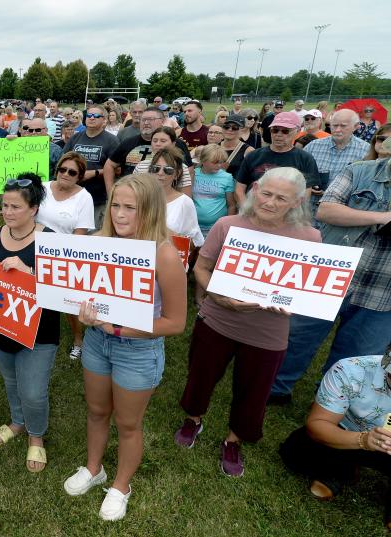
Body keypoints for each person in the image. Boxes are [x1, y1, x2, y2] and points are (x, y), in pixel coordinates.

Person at [175, 167, 319, 477]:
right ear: (254, 188)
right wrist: (218, 295)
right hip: (218, 320)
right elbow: (202, 268)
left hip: (269, 330)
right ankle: (194, 419)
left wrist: (296, 304)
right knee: (201, 375)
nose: (269, 202)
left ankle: (234, 439)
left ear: (297, 202)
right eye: (266, 193)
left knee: (254, 390)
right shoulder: (227, 225)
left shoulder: (310, 237)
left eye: (281, 198)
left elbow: (306, 288)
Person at [64, 174, 187, 521]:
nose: (119, 214)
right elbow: (79, 291)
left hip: (138, 350)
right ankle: (93, 468)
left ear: (149, 210)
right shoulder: (100, 243)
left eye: (129, 208)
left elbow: (175, 323)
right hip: (97, 342)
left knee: (128, 423)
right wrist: (85, 313)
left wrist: (120, 326)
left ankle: (121, 485)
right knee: (96, 411)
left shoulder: (164, 255)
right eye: (115, 205)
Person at [269, 150, 391, 405]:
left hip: (384, 290)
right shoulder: (360, 170)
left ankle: (329, 401)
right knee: (298, 337)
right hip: (331, 276)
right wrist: (382, 218)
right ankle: (277, 388)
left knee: (359, 353)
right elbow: (325, 210)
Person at [0, 172, 62, 472]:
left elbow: (61, 293)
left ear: (34, 208)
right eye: (4, 206)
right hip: (0, 327)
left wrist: (27, 271)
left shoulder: (50, 240)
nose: (7, 212)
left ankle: (36, 437)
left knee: (33, 391)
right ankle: (18, 422)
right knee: (11, 381)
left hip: (38, 333)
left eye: (15, 207)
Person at [278, 348, 391, 511]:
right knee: (295, 452)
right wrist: (363, 440)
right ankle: (340, 469)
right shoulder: (351, 370)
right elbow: (319, 423)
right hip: (346, 429)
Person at [37, 152, 94, 360]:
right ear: (57, 169)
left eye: (72, 172)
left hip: (64, 254)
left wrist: (63, 257)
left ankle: (79, 340)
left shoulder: (84, 197)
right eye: (63, 169)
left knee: (69, 303)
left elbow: (80, 234)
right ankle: (32, 333)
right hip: (34, 249)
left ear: (79, 176)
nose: (66, 174)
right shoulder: (42, 187)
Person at [234, 112, 320, 207]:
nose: (279, 134)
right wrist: (248, 211)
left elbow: (305, 195)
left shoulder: (305, 159)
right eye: (274, 130)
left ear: (298, 131)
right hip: (253, 212)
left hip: (286, 216)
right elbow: (239, 189)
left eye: (285, 131)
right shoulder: (254, 155)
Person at [146, 147, 204, 247]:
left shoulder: (184, 202)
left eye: (167, 170)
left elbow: (194, 243)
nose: (160, 173)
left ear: (177, 174)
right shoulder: (138, 198)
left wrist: (167, 233)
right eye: (155, 168)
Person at [192, 144, 237, 238]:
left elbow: (231, 205)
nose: (219, 165)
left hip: (215, 228)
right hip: (192, 227)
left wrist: (227, 227)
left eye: (221, 162)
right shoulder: (193, 174)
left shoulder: (227, 177)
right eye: (215, 162)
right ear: (203, 160)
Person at [133, 127, 194, 195]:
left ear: (173, 144)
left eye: (163, 141)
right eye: (155, 141)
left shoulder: (182, 167)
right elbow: (134, 192)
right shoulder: (141, 165)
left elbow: (186, 196)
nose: (158, 144)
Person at [217, 114, 255, 179]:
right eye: (226, 127)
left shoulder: (248, 151)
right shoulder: (215, 146)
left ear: (241, 130)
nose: (230, 130)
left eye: (235, 128)